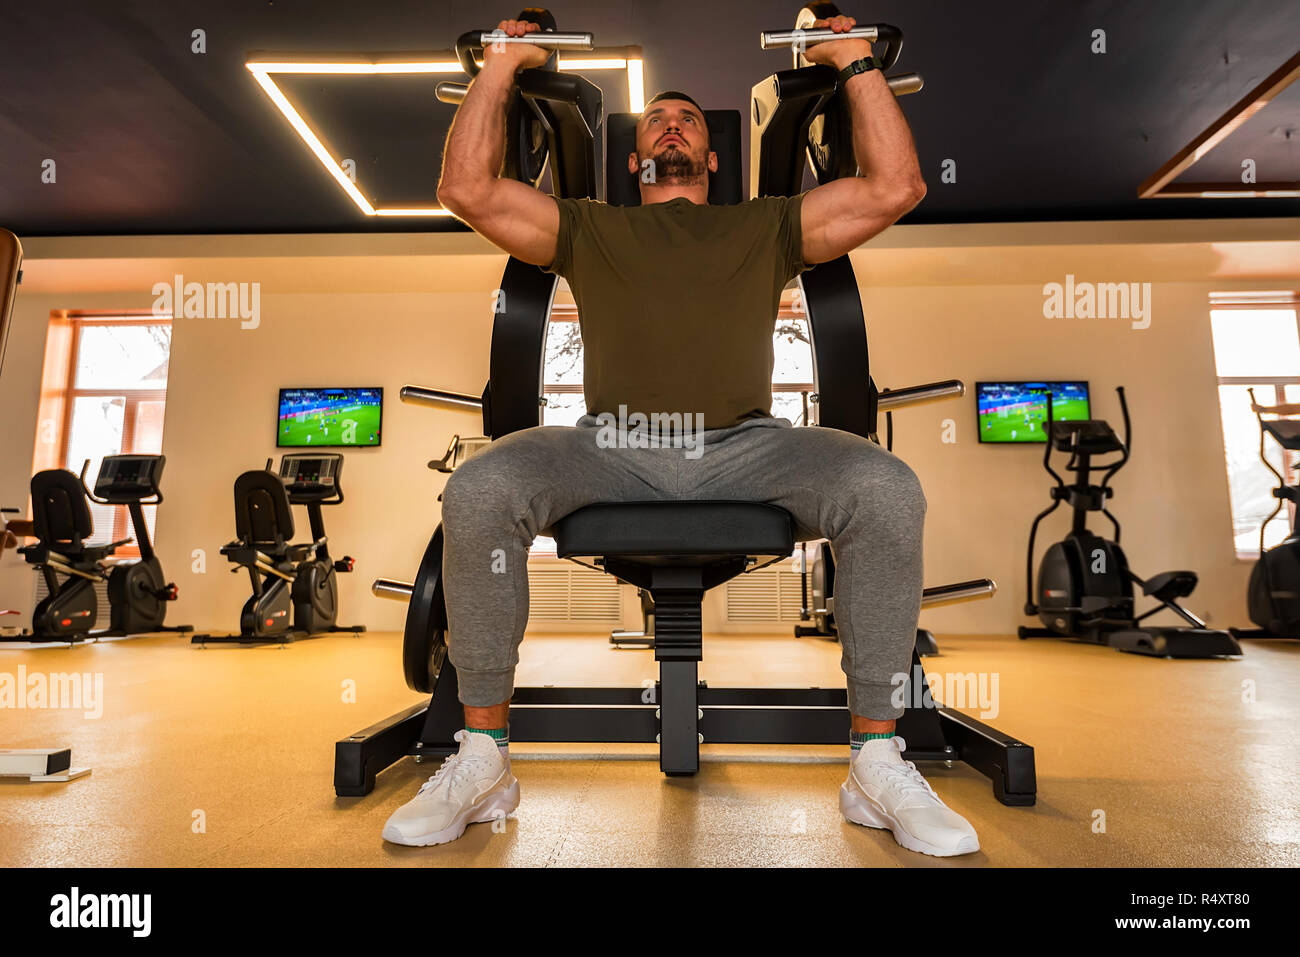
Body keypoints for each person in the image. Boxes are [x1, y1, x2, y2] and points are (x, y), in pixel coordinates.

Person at [382, 14, 979, 858]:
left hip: (748, 443)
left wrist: (851, 60)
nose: (673, 124)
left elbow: (895, 187)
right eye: (659, 117)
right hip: (609, 442)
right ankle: (482, 755)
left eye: (690, 119)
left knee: (886, 486)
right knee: (478, 486)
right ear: (634, 157)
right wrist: (504, 64)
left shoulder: (766, 226)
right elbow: (466, 190)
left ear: (712, 156)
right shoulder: (589, 227)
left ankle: (876, 761)